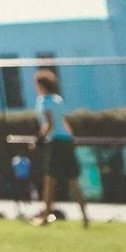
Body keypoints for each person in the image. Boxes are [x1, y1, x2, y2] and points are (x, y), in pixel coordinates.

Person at [33, 68, 90, 227]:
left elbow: (49, 124)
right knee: (73, 180)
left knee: (50, 180)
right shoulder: (58, 100)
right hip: (66, 141)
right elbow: (64, 122)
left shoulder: (44, 102)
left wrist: (38, 140)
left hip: (56, 142)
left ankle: (46, 216)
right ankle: (85, 216)